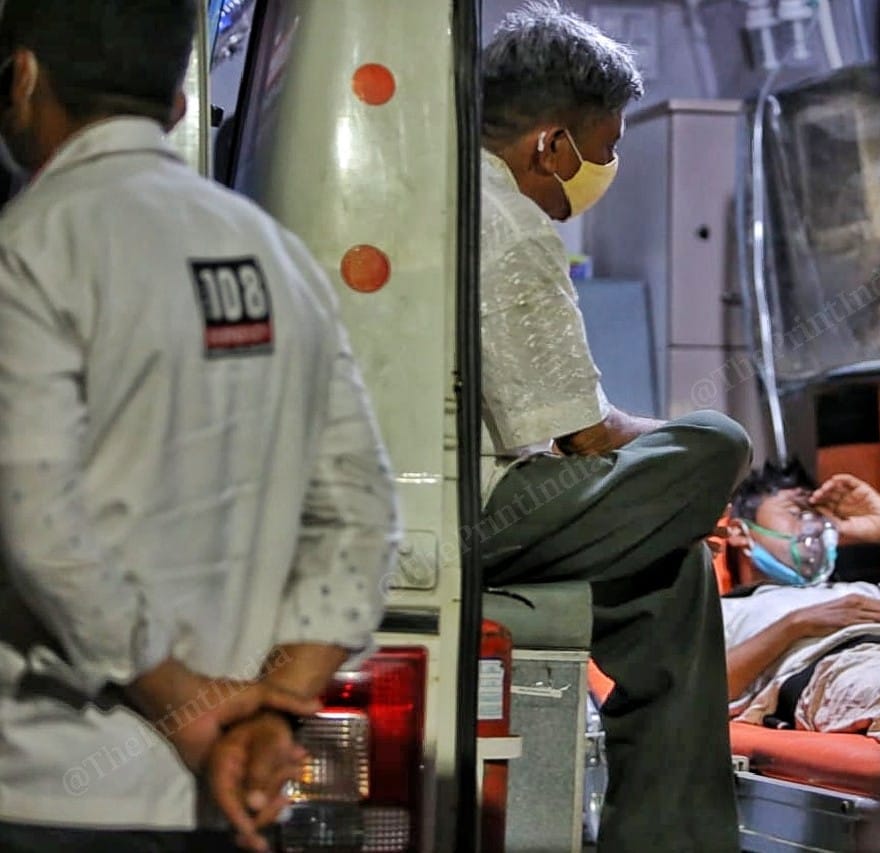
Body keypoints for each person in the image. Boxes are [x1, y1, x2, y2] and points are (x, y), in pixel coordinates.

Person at [0, 2, 399, 851]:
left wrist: (191, 710)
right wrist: (272, 711)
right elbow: (363, 513)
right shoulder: (275, 255)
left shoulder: (30, 247)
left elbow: (36, 519)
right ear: (180, 103)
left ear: (23, 79)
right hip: (231, 798)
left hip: (49, 791)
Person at [476, 4, 751, 850]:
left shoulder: (457, 201)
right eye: (608, 144)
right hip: (486, 512)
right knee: (719, 442)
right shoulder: (513, 229)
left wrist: (663, 511)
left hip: (480, 496)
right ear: (552, 146)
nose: (610, 165)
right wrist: (680, 460)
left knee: (674, 581)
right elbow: (586, 439)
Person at [718, 462, 880, 737]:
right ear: (737, 531)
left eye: (819, 517)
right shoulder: (723, 610)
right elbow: (704, 688)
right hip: (842, 671)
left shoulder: (864, 594)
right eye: (798, 513)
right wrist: (796, 625)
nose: (815, 527)